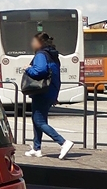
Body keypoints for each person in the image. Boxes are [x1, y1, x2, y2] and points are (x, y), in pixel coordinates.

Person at [22, 31, 74, 159]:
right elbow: (55, 75)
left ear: (39, 43)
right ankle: (36, 148)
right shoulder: (53, 55)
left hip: (42, 92)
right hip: (51, 91)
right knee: (39, 120)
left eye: (34, 41)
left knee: (38, 120)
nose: (32, 44)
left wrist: (28, 69)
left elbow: (40, 71)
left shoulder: (41, 55)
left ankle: (63, 142)